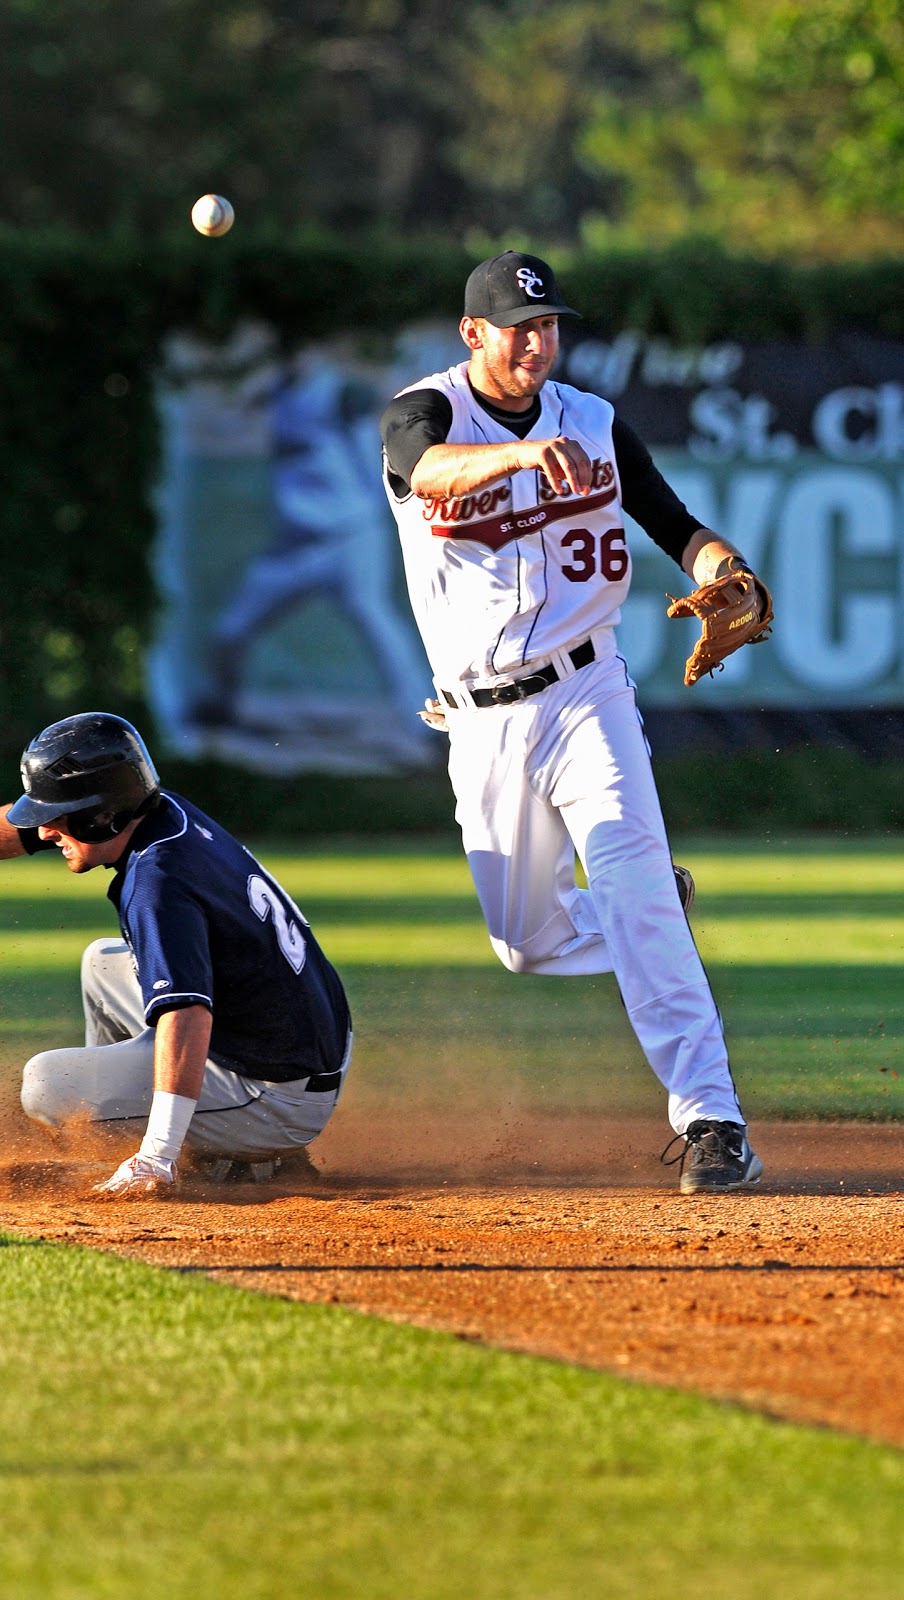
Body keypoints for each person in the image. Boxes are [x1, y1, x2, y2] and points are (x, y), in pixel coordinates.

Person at [380, 249, 771, 1194]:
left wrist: (722, 571)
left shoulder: (593, 422)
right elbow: (423, 472)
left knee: (631, 883)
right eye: (520, 329)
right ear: (473, 333)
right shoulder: (422, 411)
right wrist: (517, 453)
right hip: (480, 720)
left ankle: (713, 1120)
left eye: (549, 325)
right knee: (527, 943)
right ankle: (646, 912)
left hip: (589, 694)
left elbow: (676, 524)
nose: (538, 343)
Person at [0, 712, 352, 1198]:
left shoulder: (158, 881)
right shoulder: (163, 813)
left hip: (272, 1092)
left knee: (51, 1085)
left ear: (101, 815)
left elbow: (188, 1015)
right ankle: (185, 1129)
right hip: (298, 1040)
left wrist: (157, 1155)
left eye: (56, 817)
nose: (43, 833)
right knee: (103, 962)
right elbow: (16, 833)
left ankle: (193, 1154)